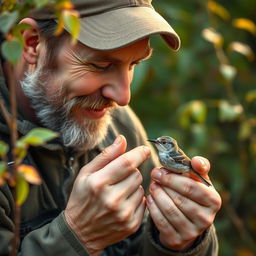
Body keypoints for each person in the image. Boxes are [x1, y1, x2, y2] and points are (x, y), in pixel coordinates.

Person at [0, 0, 222, 255]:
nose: (123, 97)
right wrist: (76, 237)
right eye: (101, 65)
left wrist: (180, 243)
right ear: (32, 44)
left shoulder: (118, 125)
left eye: (133, 65)